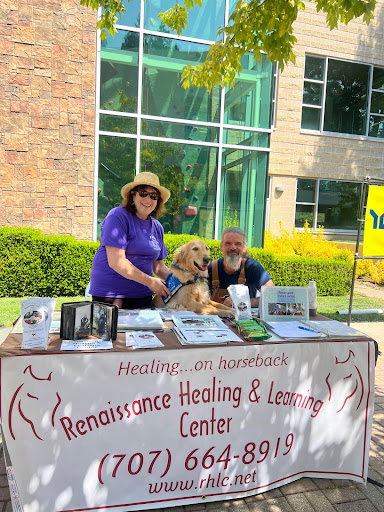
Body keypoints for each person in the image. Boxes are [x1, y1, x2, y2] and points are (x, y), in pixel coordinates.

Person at [89, 172, 171, 309]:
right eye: (143, 193)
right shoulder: (118, 217)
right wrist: (150, 282)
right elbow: (117, 261)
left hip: (142, 296)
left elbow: (158, 267)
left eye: (153, 196)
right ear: (133, 194)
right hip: (112, 296)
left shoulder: (157, 227)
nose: (148, 200)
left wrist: (183, 282)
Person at [208, 227, 274, 308]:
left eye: (238, 244)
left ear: (245, 247)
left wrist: (243, 302)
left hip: (244, 319)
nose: (233, 248)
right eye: (228, 243)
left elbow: (272, 295)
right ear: (221, 247)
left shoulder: (252, 267)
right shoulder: (211, 268)